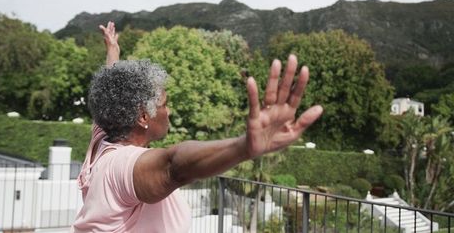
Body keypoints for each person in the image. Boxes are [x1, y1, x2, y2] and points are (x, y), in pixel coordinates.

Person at [71, 21, 323, 232]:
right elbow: (173, 165)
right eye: (164, 104)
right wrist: (243, 146)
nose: (168, 111)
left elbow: (113, 91)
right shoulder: (120, 167)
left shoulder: (102, 135)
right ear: (143, 117)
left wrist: (113, 51)